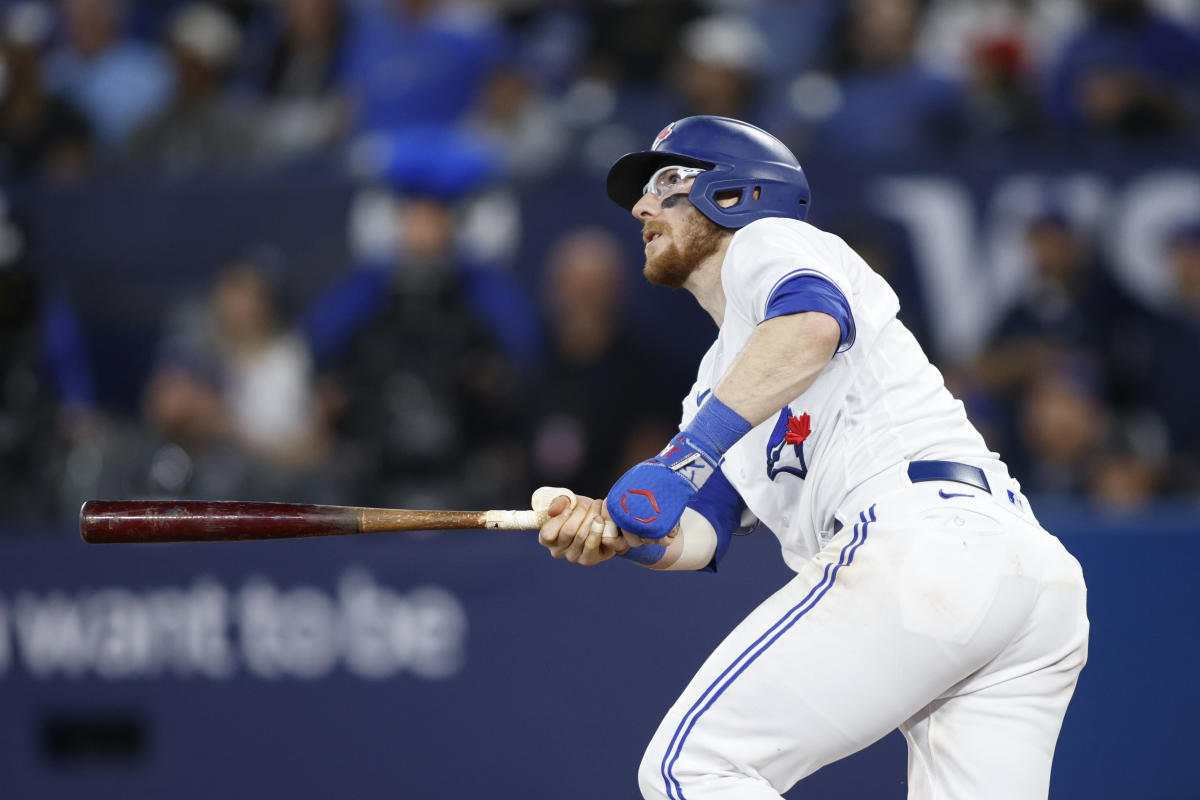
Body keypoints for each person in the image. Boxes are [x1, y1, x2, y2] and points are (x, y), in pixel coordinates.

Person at [536, 116, 1089, 799]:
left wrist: (678, 462)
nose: (643, 207)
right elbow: (698, 531)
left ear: (735, 195)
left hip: (922, 539)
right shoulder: (721, 381)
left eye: (667, 182)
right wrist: (614, 530)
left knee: (694, 768)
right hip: (1014, 573)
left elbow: (810, 327)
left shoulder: (771, 242)